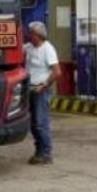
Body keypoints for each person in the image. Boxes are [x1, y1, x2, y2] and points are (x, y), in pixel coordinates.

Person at [23, 21, 60, 165]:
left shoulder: (47, 49)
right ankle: (38, 151)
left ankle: (46, 152)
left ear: (38, 35)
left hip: (40, 89)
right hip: (29, 88)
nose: (29, 35)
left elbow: (57, 72)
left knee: (40, 122)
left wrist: (44, 85)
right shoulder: (28, 47)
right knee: (33, 123)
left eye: (31, 33)